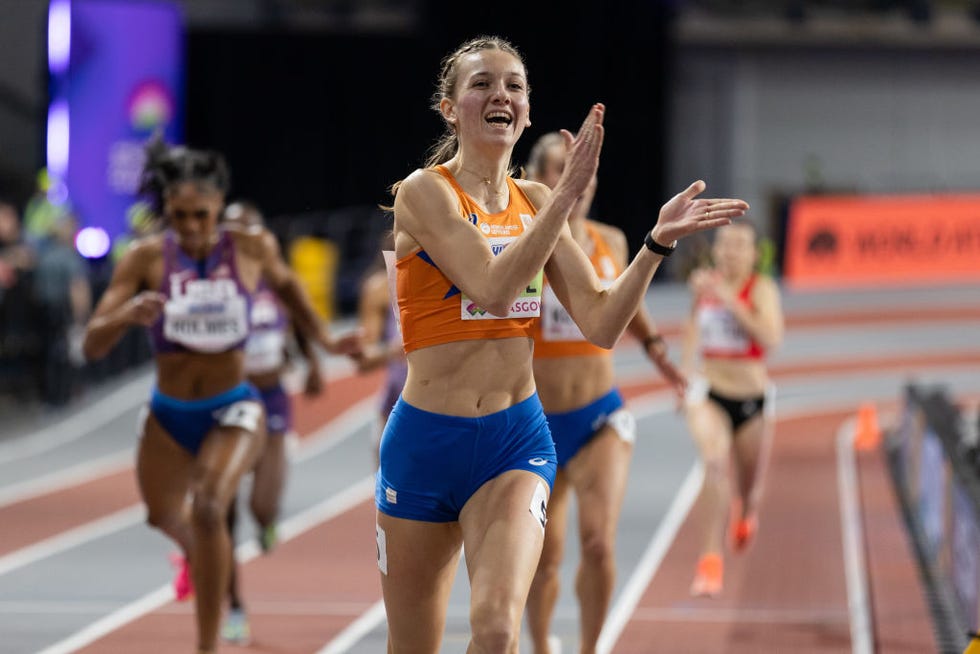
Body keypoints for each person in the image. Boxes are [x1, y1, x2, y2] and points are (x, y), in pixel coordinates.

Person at [376, 35, 747, 653]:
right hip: (425, 441)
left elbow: (601, 323)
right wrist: (565, 201)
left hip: (512, 439)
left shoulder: (538, 200)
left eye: (514, 85)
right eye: (482, 83)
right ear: (449, 107)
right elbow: (493, 287)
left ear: (526, 109)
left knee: (496, 632)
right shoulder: (425, 192)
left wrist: (656, 244)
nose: (501, 94)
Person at [81, 138, 361, 654]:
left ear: (218, 206)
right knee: (163, 515)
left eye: (201, 216)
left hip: (235, 405)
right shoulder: (145, 258)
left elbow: (291, 288)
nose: (190, 228)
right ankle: (205, 558)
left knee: (211, 507)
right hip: (168, 412)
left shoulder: (250, 247)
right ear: (165, 211)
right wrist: (125, 314)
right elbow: (91, 344)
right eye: (179, 216)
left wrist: (323, 339)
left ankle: (208, 644)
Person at [522, 132, 687, 654]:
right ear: (535, 177)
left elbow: (620, 300)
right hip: (537, 425)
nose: (580, 183)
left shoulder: (610, 241)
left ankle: (591, 649)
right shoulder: (520, 246)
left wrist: (657, 346)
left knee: (597, 543)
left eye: (587, 174)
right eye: (560, 170)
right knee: (543, 559)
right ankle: (544, 644)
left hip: (599, 418)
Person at [218, 201, 326, 644]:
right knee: (220, 510)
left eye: (247, 233)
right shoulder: (212, 283)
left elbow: (301, 320)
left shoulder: (276, 279)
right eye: (230, 234)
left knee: (261, 504)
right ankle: (234, 606)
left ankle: (266, 522)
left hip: (272, 396)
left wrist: (313, 363)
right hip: (224, 399)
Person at [681, 221, 783, 598]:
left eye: (740, 245)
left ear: (754, 254)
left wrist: (729, 298)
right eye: (725, 244)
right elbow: (692, 328)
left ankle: (746, 511)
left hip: (752, 401)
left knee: (748, 486)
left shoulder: (762, 289)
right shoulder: (703, 286)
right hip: (711, 394)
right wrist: (685, 374)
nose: (730, 252)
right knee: (713, 463)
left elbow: (770, 337)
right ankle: (710, 560)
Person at [353, 232, 406, 469]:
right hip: (397, 402)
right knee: (388, 490)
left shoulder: (454, 277)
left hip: (451, 404)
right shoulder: (379, 288)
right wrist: (395, 350)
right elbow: (364, 359)